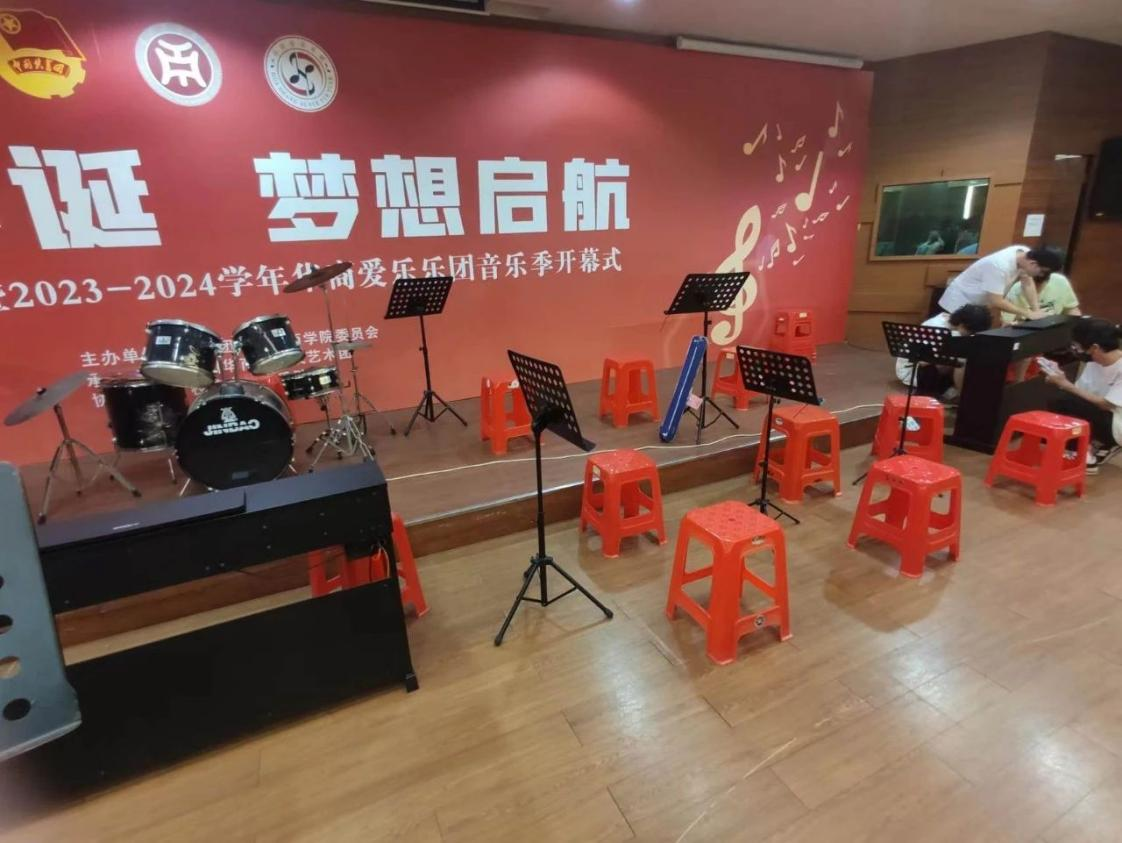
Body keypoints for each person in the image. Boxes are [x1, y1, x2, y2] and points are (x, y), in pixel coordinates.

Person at [1045, 317, 1122, 473]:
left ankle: (1083, 456)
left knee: (1063, 400)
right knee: (1062, 401)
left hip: (1117, 422)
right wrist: (1060, 378)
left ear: (1094, 347)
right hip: (1105, 416)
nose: (1077, 351)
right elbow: (1080, 395)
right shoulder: (1093, 363)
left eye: (1078, 346)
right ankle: (1085, 447)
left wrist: (1065, 384)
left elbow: (1105, 404)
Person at [896, 304, 992, 401]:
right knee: (963, 360)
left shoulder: (953, 325)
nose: (972, 335)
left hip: (934, 364)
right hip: (913, 370)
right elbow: (923, 361)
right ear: (962, 325)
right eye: (971, 332)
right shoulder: (937, 327)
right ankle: (962, 398)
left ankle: (954, 390)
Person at [938, 245, 1062, 320]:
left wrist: (1036, 311)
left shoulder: (1025, 253)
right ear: (1033, 264)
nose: (1041, 276)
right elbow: (996, 301)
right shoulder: (999, 266)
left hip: (978, 306)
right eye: (1042, 271)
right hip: (958, 302)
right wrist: (1028, 314)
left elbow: (1027, 283)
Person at [1001, 270, 1081, 323]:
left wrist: (1077, 323)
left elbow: (1071, 309)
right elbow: (1006, 323)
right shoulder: (1015, 290)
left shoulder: (1060, 281)